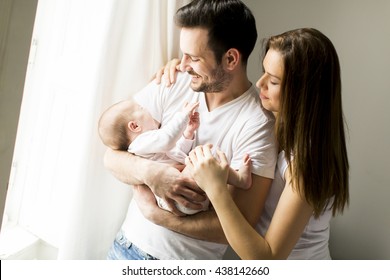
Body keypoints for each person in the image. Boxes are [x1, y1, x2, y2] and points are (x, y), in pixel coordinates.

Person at [104, 0, 277, 260]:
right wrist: (153, 174)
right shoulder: (173, 82)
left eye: (194, 58)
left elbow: (238, 224)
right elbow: (112, 156)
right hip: (124, 247)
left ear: (230, 58)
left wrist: (158, 216)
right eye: (183, 55)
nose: (183, 65)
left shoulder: (258, 125)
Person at [181, 28, 350, 259]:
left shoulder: (306, 162)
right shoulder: (272, 126)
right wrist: (179, 67)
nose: (260, 83)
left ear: (303, 92)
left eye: (273, 80)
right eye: (264, 72)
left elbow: (268, 259)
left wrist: (216, 188)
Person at [98, 99, 252, 215]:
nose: (147, 109)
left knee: (201, 160)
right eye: (141, 108)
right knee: (203, 158)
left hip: (183, 195)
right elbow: (167, 138)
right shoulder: (140, 143)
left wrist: (188, 133)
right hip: (176, 199)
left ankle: (214, 193)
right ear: (135, 126)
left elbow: (176, 153)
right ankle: (239, 180)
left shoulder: (150, 146)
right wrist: (182, 116)